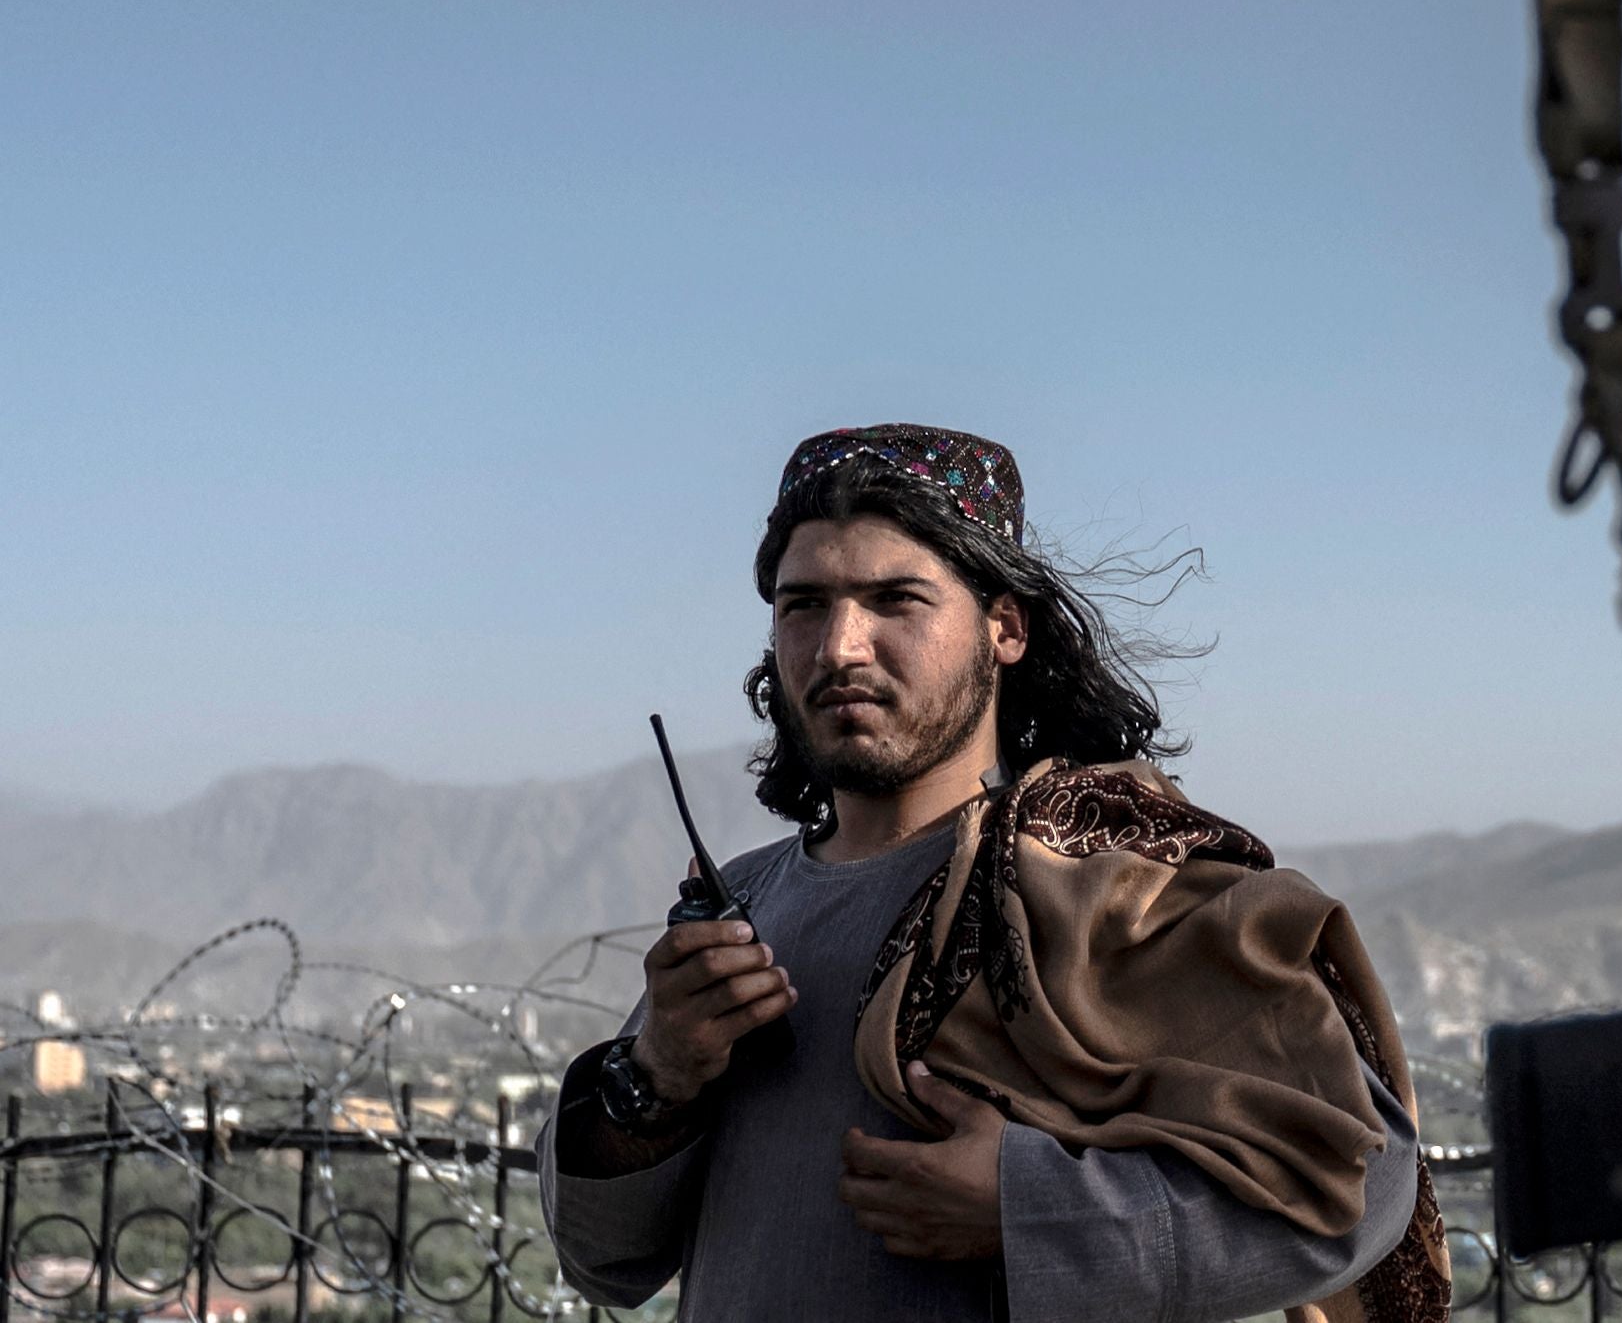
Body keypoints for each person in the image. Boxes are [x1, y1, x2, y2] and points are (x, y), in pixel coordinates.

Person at [540, 424, 1443, 1323]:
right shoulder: (749, 902)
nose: (840, 646)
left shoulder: (1111, 885)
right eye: (803, 605)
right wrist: (656, 1072)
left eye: (895, 599)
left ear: (1003, 627)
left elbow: (1362, 1184)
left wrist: (1027, 1210)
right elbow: (604, 1259)